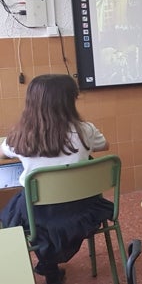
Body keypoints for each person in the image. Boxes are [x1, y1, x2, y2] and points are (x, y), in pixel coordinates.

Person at [0, 74, 113, 284]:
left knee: (16, 213)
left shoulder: (20, 135)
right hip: (81, 211)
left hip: (38, 216)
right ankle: (51, 263)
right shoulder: (85, 130)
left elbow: (2, 153)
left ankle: (47, 267)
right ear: (70, 100)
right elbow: (105, 145)